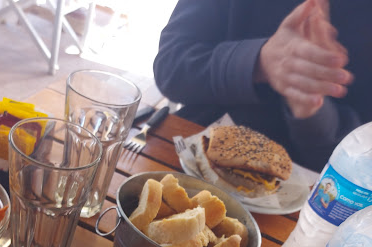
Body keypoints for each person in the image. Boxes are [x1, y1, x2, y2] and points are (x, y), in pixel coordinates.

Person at [153, 0, 372, 172]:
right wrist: (259, 62)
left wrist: (312, 109)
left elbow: (360, 165)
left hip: (305, 197)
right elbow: (170, 68)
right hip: (187, 153)